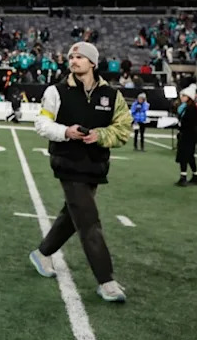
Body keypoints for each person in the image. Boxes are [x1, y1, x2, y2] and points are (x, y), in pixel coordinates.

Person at [29, 42, 133, 303]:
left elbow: (123, 129)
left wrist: (100, 135)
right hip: (67, 162)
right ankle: (106, 280)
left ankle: (42, 253)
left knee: (72, 215)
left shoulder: (112, 95)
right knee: (88, 221)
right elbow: (42, 123)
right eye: (71, 56)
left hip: (95, 165)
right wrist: (65, 132)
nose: (74, 60)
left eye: (80, 57)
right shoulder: (56, 91)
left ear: (93, 63)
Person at [174, 85, 197, 186]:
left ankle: (183, 177)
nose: (182, 97)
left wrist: (180, 126)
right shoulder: (184, 107)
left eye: (184, 96)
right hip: (186, 133)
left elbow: (191, 122)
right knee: (189, 156)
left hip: (188, 135)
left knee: (184, 156)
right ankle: (195, 175)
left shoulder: (191, 108)